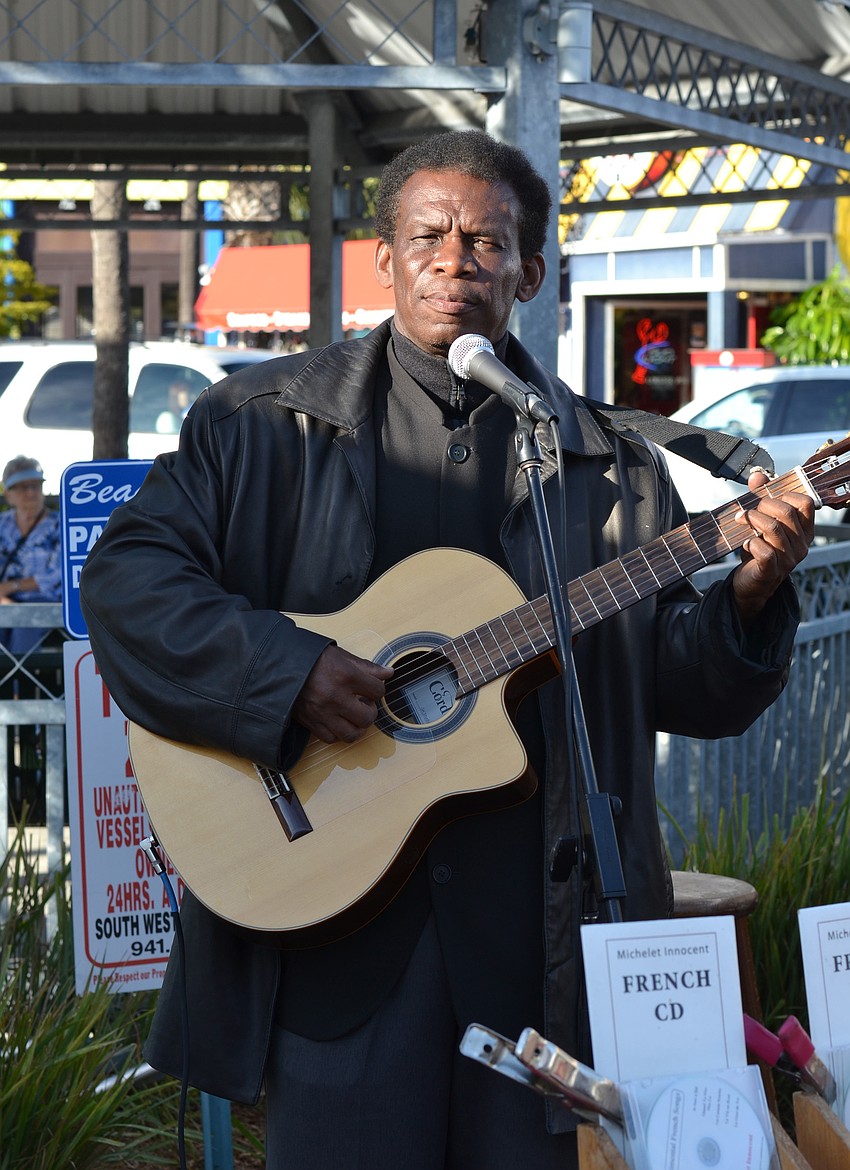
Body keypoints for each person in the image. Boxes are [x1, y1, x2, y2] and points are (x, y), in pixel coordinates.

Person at [79, 130, 814, 1170]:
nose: (454, 258)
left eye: (485, 239)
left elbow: (671, 685)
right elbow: (125, 579)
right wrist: (286, 675)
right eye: (427, 234)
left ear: (530, 271)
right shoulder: (263, 426)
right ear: (383, 258)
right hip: (330, 948)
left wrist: (750, 592)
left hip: (539, 957)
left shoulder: (610, 464)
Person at [0, 455, 62, 656]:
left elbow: (57, 576)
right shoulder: (2, 524)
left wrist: (11, 587)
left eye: (36, 485)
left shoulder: (59, 524)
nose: (31, 492)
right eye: (22, 487)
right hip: (5, 600)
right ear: (8, 494)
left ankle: (20, 687)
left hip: (44, 603)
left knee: (23, 625)